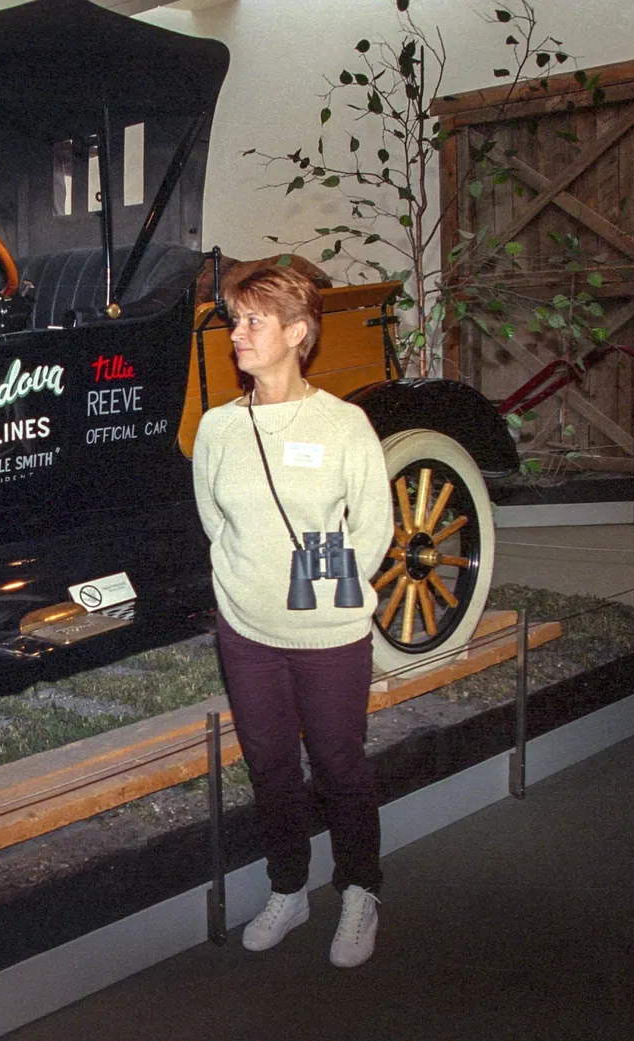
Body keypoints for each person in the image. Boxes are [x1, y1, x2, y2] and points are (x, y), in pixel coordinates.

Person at [191, 265, 391, 967]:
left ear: (296, 333)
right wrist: (251, 588)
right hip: (248, 631)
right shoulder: (217, 428)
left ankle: (361, 888)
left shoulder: (344, 425)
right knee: (271, 764)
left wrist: (328, 588)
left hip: (329, 630)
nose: (236, 334)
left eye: (252, 321)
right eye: (234, 320)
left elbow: (373, 527)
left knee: (339, 761)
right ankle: (289, 885)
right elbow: (215, 522)